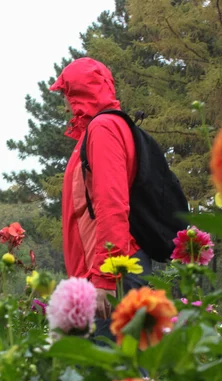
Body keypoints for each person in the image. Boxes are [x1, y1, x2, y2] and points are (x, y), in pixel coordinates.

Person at [49, 57, 152, 342]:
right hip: (109, 270)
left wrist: (106, 277)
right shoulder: (102, 128)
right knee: (114, 372)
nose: (67, 103)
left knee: (116, 374)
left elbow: (112, 203)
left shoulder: (103, 129)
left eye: (68, 94)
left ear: (80, 92)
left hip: (114, 273)